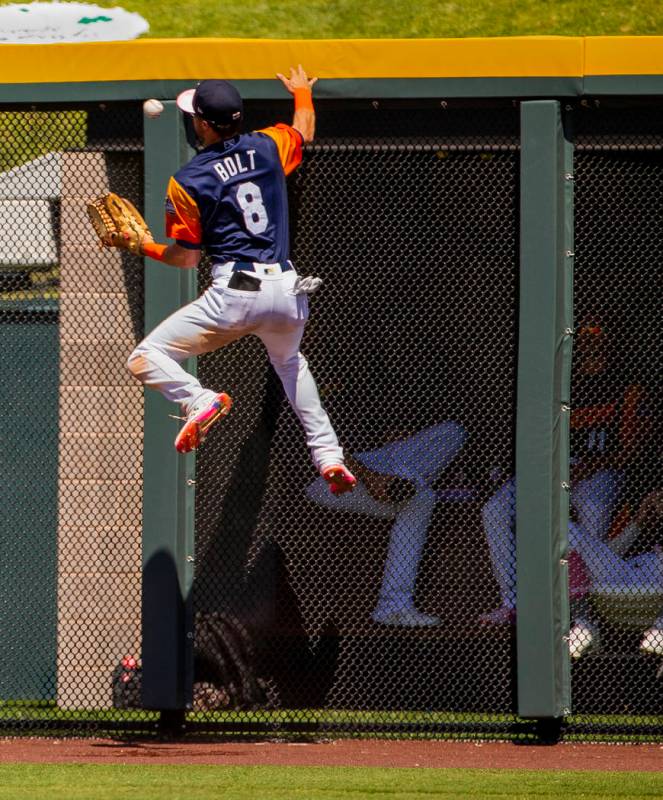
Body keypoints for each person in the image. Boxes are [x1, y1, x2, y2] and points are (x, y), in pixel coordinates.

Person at [120, 66, 356, 495]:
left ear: (203, 125)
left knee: (145, 355)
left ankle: (197, 399)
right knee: (290, 365)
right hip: (287, 291)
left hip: (235, 292)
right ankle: (329, 456)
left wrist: (140, 246)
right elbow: (304, 131)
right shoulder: (268, 144)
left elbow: (185, 258)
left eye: (196, 115)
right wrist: (302, 93)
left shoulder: (187, 181)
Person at [479, 315, 651, 657]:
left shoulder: (627, 386)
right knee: (494, 509)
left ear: (611, 343)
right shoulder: (557, 382)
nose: (591, 344)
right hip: (550, 471)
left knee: (592, 505)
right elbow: (532, 443)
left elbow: (630, 452)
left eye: (598, 336)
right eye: (584, 337)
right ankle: (514, 603)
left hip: (601, 470)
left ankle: (584, 615)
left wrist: (591, 465)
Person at [305, 421, 467, 626]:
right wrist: (371, 477)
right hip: (330, 472)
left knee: (453, 432)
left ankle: (406, 479)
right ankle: (393, 607)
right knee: (421, 498)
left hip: (382, 460)